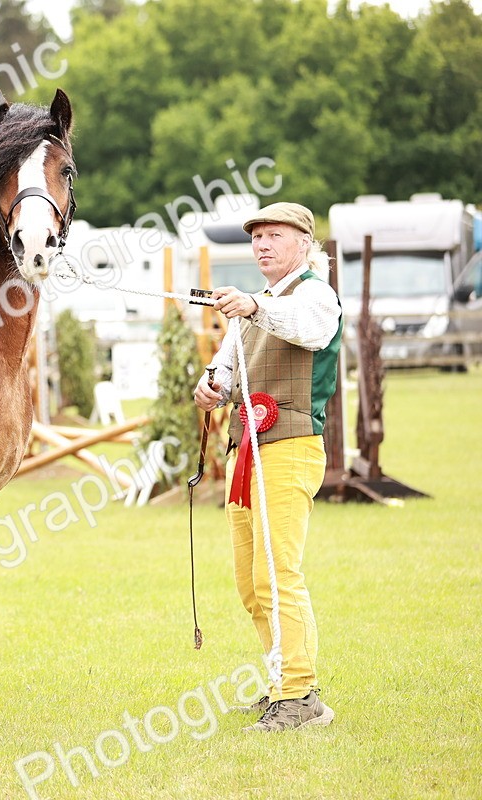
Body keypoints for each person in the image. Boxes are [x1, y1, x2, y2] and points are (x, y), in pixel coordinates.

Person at [193, 201, 341, 733]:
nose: (262, 245)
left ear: (303, 243)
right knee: (252, 584)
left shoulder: (314, 294)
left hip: (292, 444)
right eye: (257, 237)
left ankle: (300, 696)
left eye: (274, 235)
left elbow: (309, 331)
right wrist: (212, 387)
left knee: (279, 576)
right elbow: (229, 373)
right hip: (246, 451)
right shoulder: (253, 305)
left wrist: (252, 306)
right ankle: (284, 684)